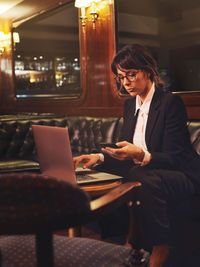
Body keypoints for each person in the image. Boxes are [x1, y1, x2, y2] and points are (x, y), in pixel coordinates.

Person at [73, 44, 200, 267]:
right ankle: (119, 236)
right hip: (146, 167)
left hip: (181, 172)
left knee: (141, 175)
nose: (126, 82)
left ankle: (161, 245)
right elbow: (126, 149)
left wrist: (141, 154)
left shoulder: (169, 103)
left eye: (131, 75)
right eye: (121, 77)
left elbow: (175, 157)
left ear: (147, 71)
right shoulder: (130, 104)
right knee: (102, 169)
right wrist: (99, 158)